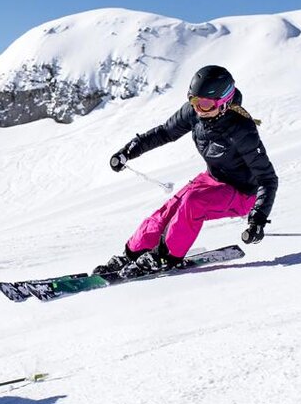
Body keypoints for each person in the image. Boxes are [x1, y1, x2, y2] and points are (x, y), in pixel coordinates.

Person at [94, 65, 278, 279]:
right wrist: (129, 151)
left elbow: (267, 178)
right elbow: (165, 132)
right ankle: (133, 253)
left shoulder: (241, 129)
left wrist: (258, 219)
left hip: (242, 193)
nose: (199, 108)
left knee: (192, 202)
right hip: (212, 179)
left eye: (206, 104)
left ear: (224, 102)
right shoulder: (195, 112)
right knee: (168, 210)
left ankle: (167, 256)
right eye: (194, 100)